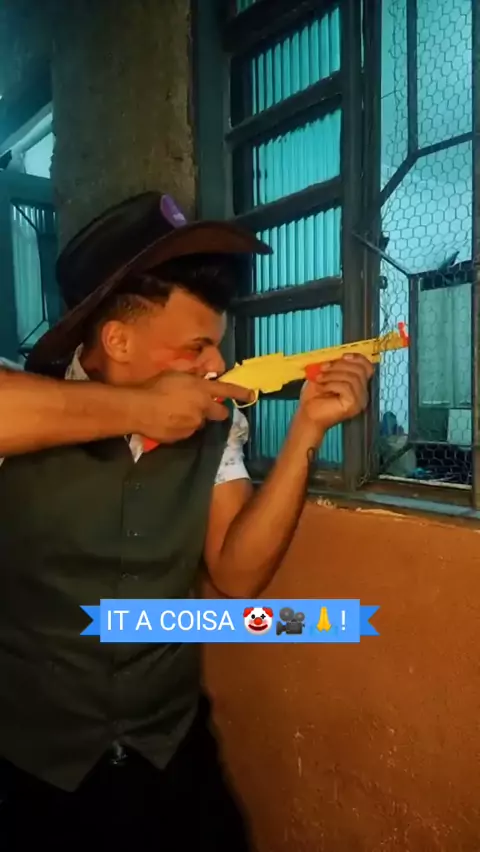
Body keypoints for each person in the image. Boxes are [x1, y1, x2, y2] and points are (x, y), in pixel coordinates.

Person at [0, 192, 373, 850]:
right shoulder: (26, 402)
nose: (214, 367)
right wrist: (136, 410)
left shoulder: (216, 426)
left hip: (169, 748)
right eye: (196, 347)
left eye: (216, 347)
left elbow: (237, 576)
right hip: (32, 762)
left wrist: (307, 432)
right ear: (118, 339)